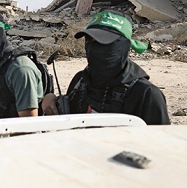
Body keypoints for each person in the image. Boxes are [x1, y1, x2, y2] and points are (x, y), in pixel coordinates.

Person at [41, 10, 170, 125]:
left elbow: (161, 142)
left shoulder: (146, 95)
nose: (94, 48)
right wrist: (52, 101)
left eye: (104, 42)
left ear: (124, 46)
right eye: (89, 40)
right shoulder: (80, 81)